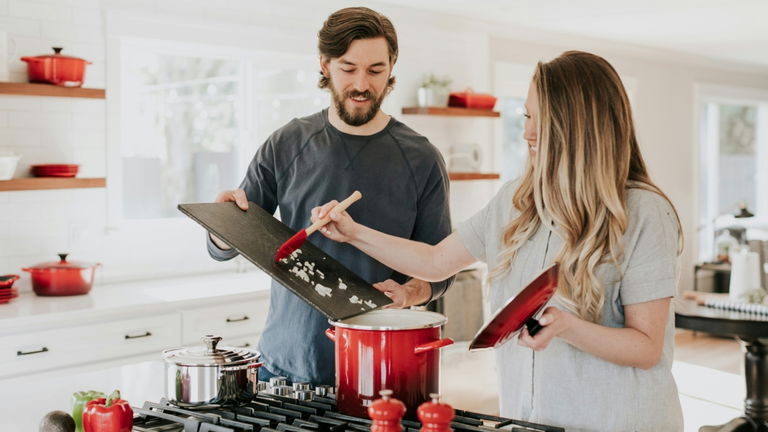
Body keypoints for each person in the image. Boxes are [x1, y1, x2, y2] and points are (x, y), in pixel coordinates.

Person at [314, 51, 684, 431]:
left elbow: (646, 347)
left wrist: (568, 327)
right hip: (528, 420)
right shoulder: (516, 201)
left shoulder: (643, 212)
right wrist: (353, 232)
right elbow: (436, 261)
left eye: (543, 120)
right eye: (526, 116)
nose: (527, 133)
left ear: (581, 127)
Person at [206, 7, 453, 386]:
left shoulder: (421, 159)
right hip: (283, 366)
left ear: (391, 68)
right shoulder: (286, 143)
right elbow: (230, 240)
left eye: (375, 71)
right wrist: (221, 227)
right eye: (348, 68)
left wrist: (408, 292)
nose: (361, 84)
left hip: (380, 369)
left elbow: (441, 270)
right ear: (325, 65)